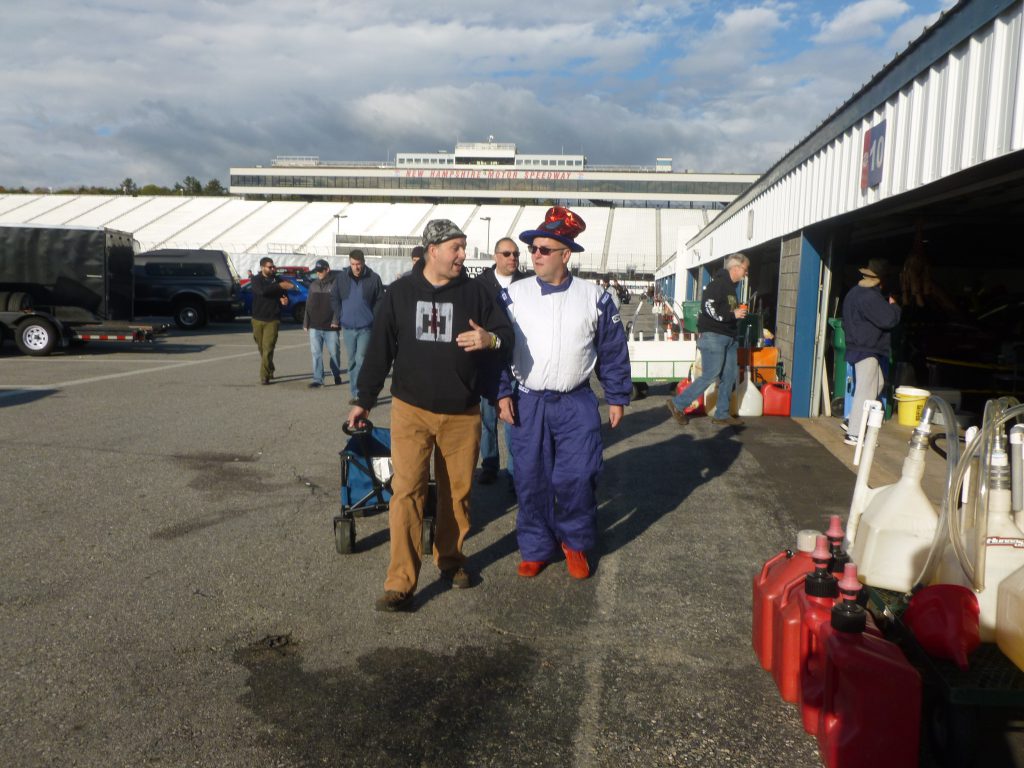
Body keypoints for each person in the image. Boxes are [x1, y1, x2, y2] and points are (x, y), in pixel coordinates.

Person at [346, 219, 513, 612]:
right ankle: (400, 582)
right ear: (433, 250)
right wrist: (363, 400)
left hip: (462, 412)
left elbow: (506, 333)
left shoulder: (477, 293)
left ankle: (451, 560)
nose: (463, 255)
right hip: (411, 410)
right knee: (406, 492)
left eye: (464, 247)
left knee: (458, 494)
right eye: (456, 248)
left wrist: (490, 339)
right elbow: (378, 351)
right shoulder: (400, 293)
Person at [497, 206, 632, 580]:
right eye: (533, 249)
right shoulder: (514, 296)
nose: (534, 255)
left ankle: (574, 543)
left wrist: (618, 396)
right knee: (530, 478)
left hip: (575, 401)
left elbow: (612, 350)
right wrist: (501, 392)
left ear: (565, 254)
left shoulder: (595, 298)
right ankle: (537, 547)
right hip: (529, 401)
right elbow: (498, 349)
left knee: (578, 476)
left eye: (543, 249)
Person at [665, 252, 750, 427]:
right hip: (714, 337)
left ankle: (722, 414)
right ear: (735, 268)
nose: (746, 274)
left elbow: (728, 313)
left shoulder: (731, 289)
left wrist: (737, 314)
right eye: (745, 269)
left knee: (729, 375)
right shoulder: (717, 285)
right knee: (711, 375)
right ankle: (678, 403)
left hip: (729, 337)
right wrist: (732, 313)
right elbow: (709, 308)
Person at [474, 237, 528, 488]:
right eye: (506, 253)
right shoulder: (481, 285)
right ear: (496, 256)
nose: (512, 258)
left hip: (516, 359)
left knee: (513, 421)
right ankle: (490, 464)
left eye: (516, 254)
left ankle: (515, 474)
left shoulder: (528, 283)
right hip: (488, 361)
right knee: (487, 419)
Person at [842, 258, 900, 445]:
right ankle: (855, 434)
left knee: (876, 384)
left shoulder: (854, 292)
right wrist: (894, 305)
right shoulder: (871, 297)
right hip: (866, 348)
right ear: (880, 280)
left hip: (858, 346)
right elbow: (888, 320)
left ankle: (852, 420)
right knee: (865, 390)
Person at [336, 249, 383, 405]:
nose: (356, 267)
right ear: (349, 263)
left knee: (361, 359)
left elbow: (379, 300)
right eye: (353, 264)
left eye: (358, 264)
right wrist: (338, 316)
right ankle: (355, 392)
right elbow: (334, 298)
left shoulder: (374, 278)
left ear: (363, 262)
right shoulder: (341, 278)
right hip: (348, 327)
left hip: (366, 327)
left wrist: (375, 319)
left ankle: (365, 395)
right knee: (351, 361)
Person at [249, 257, 294, 385]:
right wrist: (278, 286)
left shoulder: (277, 280)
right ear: (262, 267)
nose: (272, 269)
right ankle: (270, 368)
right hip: (257, 318)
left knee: (268, 347)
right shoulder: (256, 279)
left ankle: (264, 376)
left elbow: (285, 297)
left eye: (273, 266)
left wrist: (285, 301)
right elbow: (261, 292)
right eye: (270, 267)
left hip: (273, 319)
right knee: (261, 348)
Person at [304, 259, 343, 389]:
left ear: (327, 270)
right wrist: (306, 322)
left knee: (334, 353)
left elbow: (339, 305)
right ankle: (318, 379)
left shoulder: (336, 284)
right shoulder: (313, 285)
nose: (319, 273)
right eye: (317, 271)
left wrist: (335, 321)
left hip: (331, 327)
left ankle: (336, 373)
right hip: (315, 326)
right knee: (316, 354)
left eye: (321, 271)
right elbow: (308, 305)